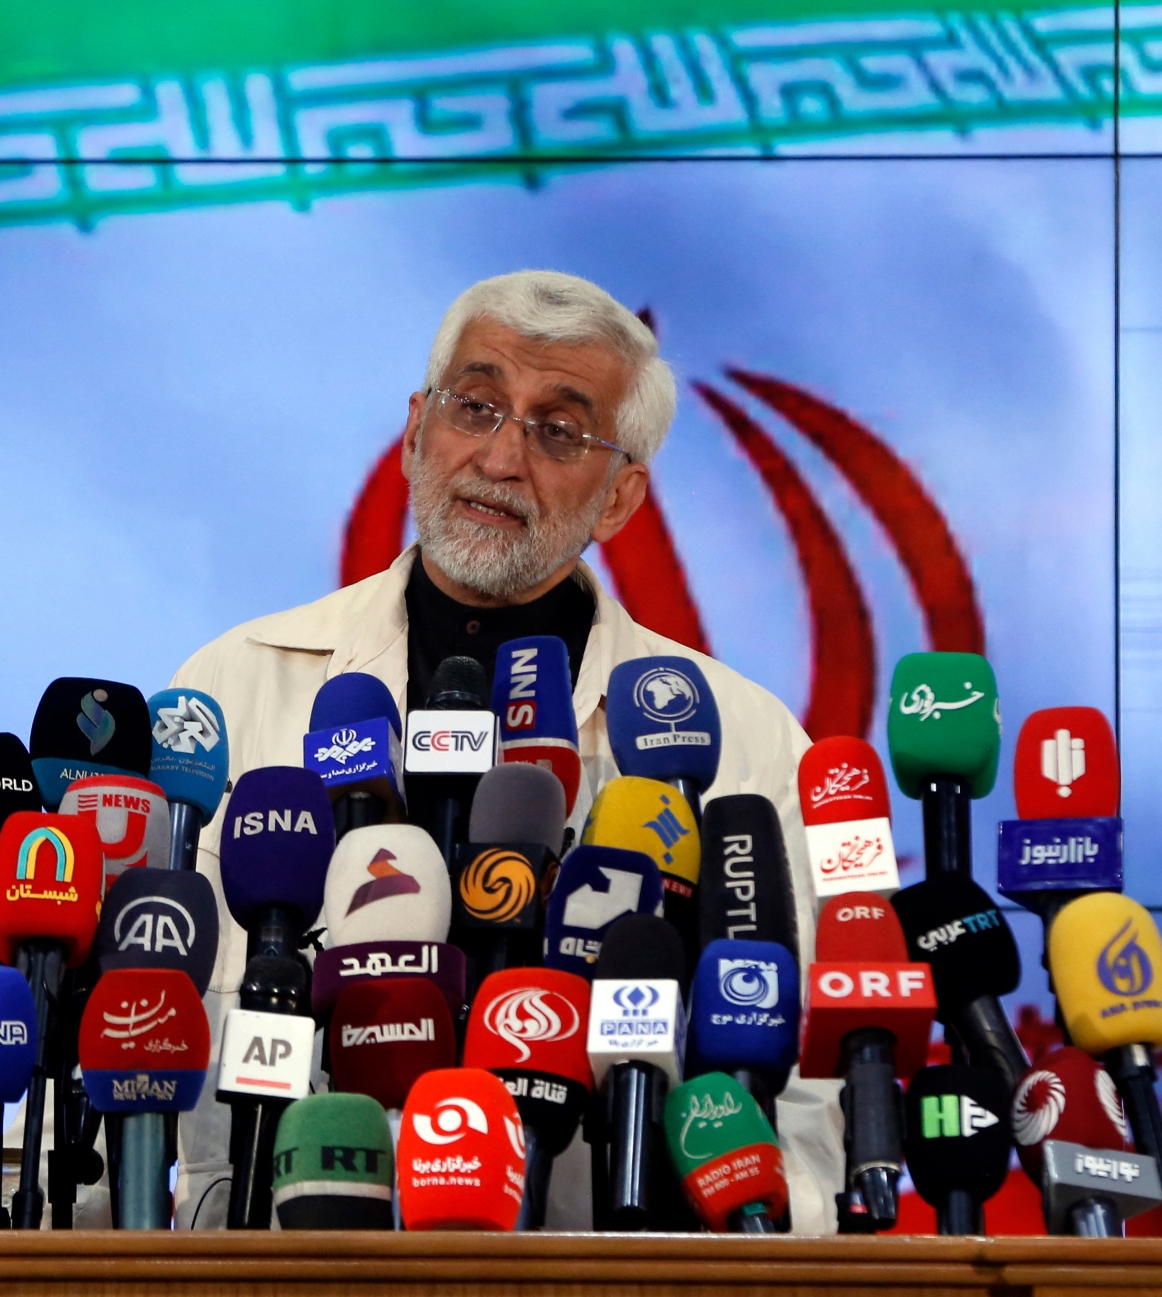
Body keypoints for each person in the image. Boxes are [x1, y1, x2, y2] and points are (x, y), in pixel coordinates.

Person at [163, 269, 843, 1232]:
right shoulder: (237, 685)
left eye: (559, 430)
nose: (501, 456)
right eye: (475, 406)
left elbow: (807, 1107)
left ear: (619, 498)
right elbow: (124, 1016)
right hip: (278, 1272)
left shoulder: (748, 743)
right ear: (415, 431)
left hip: (605, 1285)